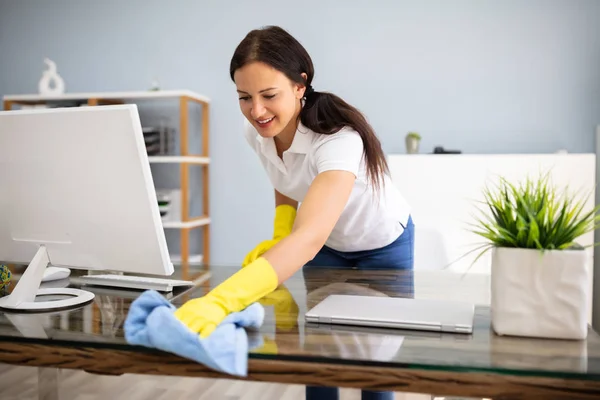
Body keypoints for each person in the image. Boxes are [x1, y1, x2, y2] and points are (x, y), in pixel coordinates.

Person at [173, 25, 414, 400]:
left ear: (301, 85)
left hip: (381, 243)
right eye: (244, 97)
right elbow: (283, 177)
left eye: (269, 95)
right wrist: (280, 231)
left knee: (375, 360)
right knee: (316, 350)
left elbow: (309, 237)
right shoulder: (256, 129)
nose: (256, 110)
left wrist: (220, 301)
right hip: (328, 246)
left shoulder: (338, 140)